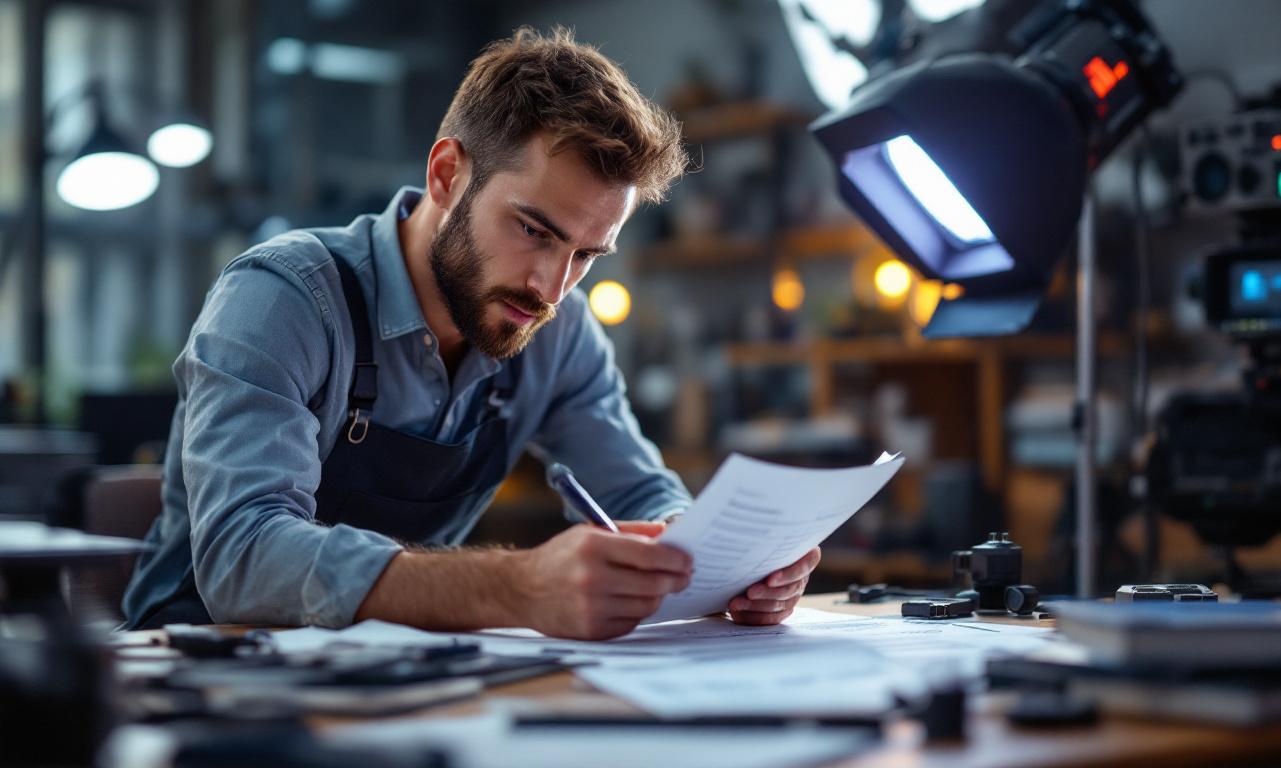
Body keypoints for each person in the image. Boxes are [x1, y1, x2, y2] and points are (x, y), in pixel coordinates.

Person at [122, 27, 821, 639]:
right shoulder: (282, 299)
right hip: (198, 669)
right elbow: (243, 560)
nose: (551, 287)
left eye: (584, 254)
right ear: (447, 174)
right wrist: (516, 587)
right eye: (534, 230)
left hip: (393, 676)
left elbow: (640, 495)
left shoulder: (559, 331)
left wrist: (712, 561)